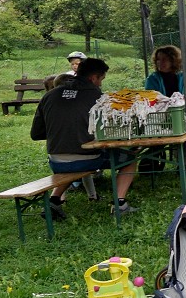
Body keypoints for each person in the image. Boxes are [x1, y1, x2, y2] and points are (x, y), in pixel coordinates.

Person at [31, 58, 140, 217]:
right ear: (93, 77)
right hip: (86, 159)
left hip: (56, 160)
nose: (100, 84)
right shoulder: (97, 96)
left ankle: (54, 200)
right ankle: (120, 204)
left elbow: (36, 134)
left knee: (71, 162)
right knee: (129, 158)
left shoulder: (50, 95)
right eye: (101, 79)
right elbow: (109, 132)